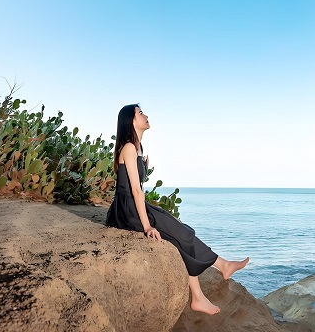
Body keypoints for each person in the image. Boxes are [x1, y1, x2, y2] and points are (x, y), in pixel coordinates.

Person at [105, 104, 249, 315]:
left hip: (132, 206)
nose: (146, 116)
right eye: (140, 113)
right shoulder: (128, 147)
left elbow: (133, 184)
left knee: (180, 231)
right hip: (127, 211)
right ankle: (217, 272)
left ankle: (211, 281)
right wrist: (147, 227)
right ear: (131, 121)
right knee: (176, 235)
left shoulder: (135, 149)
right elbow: (135, 190)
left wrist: (141, 164)